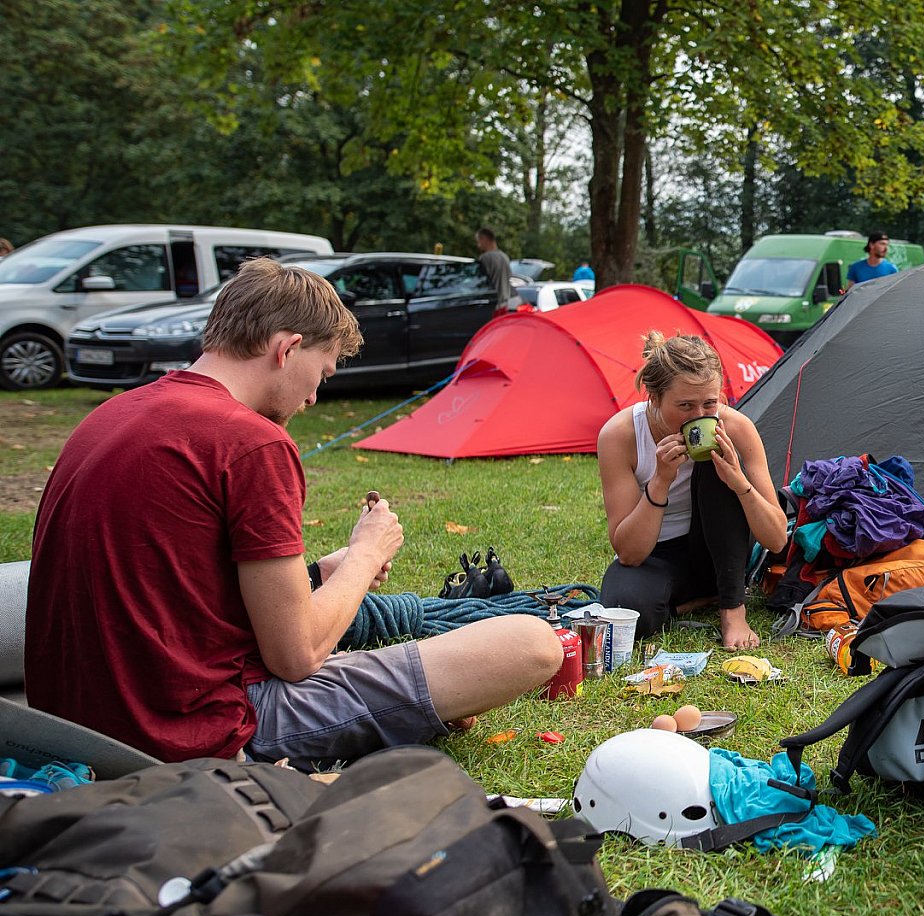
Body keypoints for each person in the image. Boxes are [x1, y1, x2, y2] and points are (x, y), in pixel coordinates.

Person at [25, 258, 561, 764]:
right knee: (530, 644)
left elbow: (170, 583)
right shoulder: (250, 441)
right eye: (321, 374)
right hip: (189, 729)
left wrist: (316, 577)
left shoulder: (113, 413)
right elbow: (297, 655)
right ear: (288, 348)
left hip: (71, 722)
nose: (312, 399)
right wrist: (364, 554)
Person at [597, 332, 787, 650]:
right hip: (656, 556)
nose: (699, 416)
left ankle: (732, 608)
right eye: (685, 405)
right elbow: (629, 553)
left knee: (715, 467)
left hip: (720, 552)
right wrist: (660, 480)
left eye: (709, 403)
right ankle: (695, 602)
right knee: (626, 614)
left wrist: (739, 482)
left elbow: (777, 539)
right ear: (654, 399)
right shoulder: (620, 436)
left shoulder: (736, 427)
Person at [476, 227, 517, 313]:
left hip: (493, 304)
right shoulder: (505, 257)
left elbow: (480, 282)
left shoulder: (485, 258)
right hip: (507, 303)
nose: (478, 245)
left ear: (484, 239)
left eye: (479, 241)